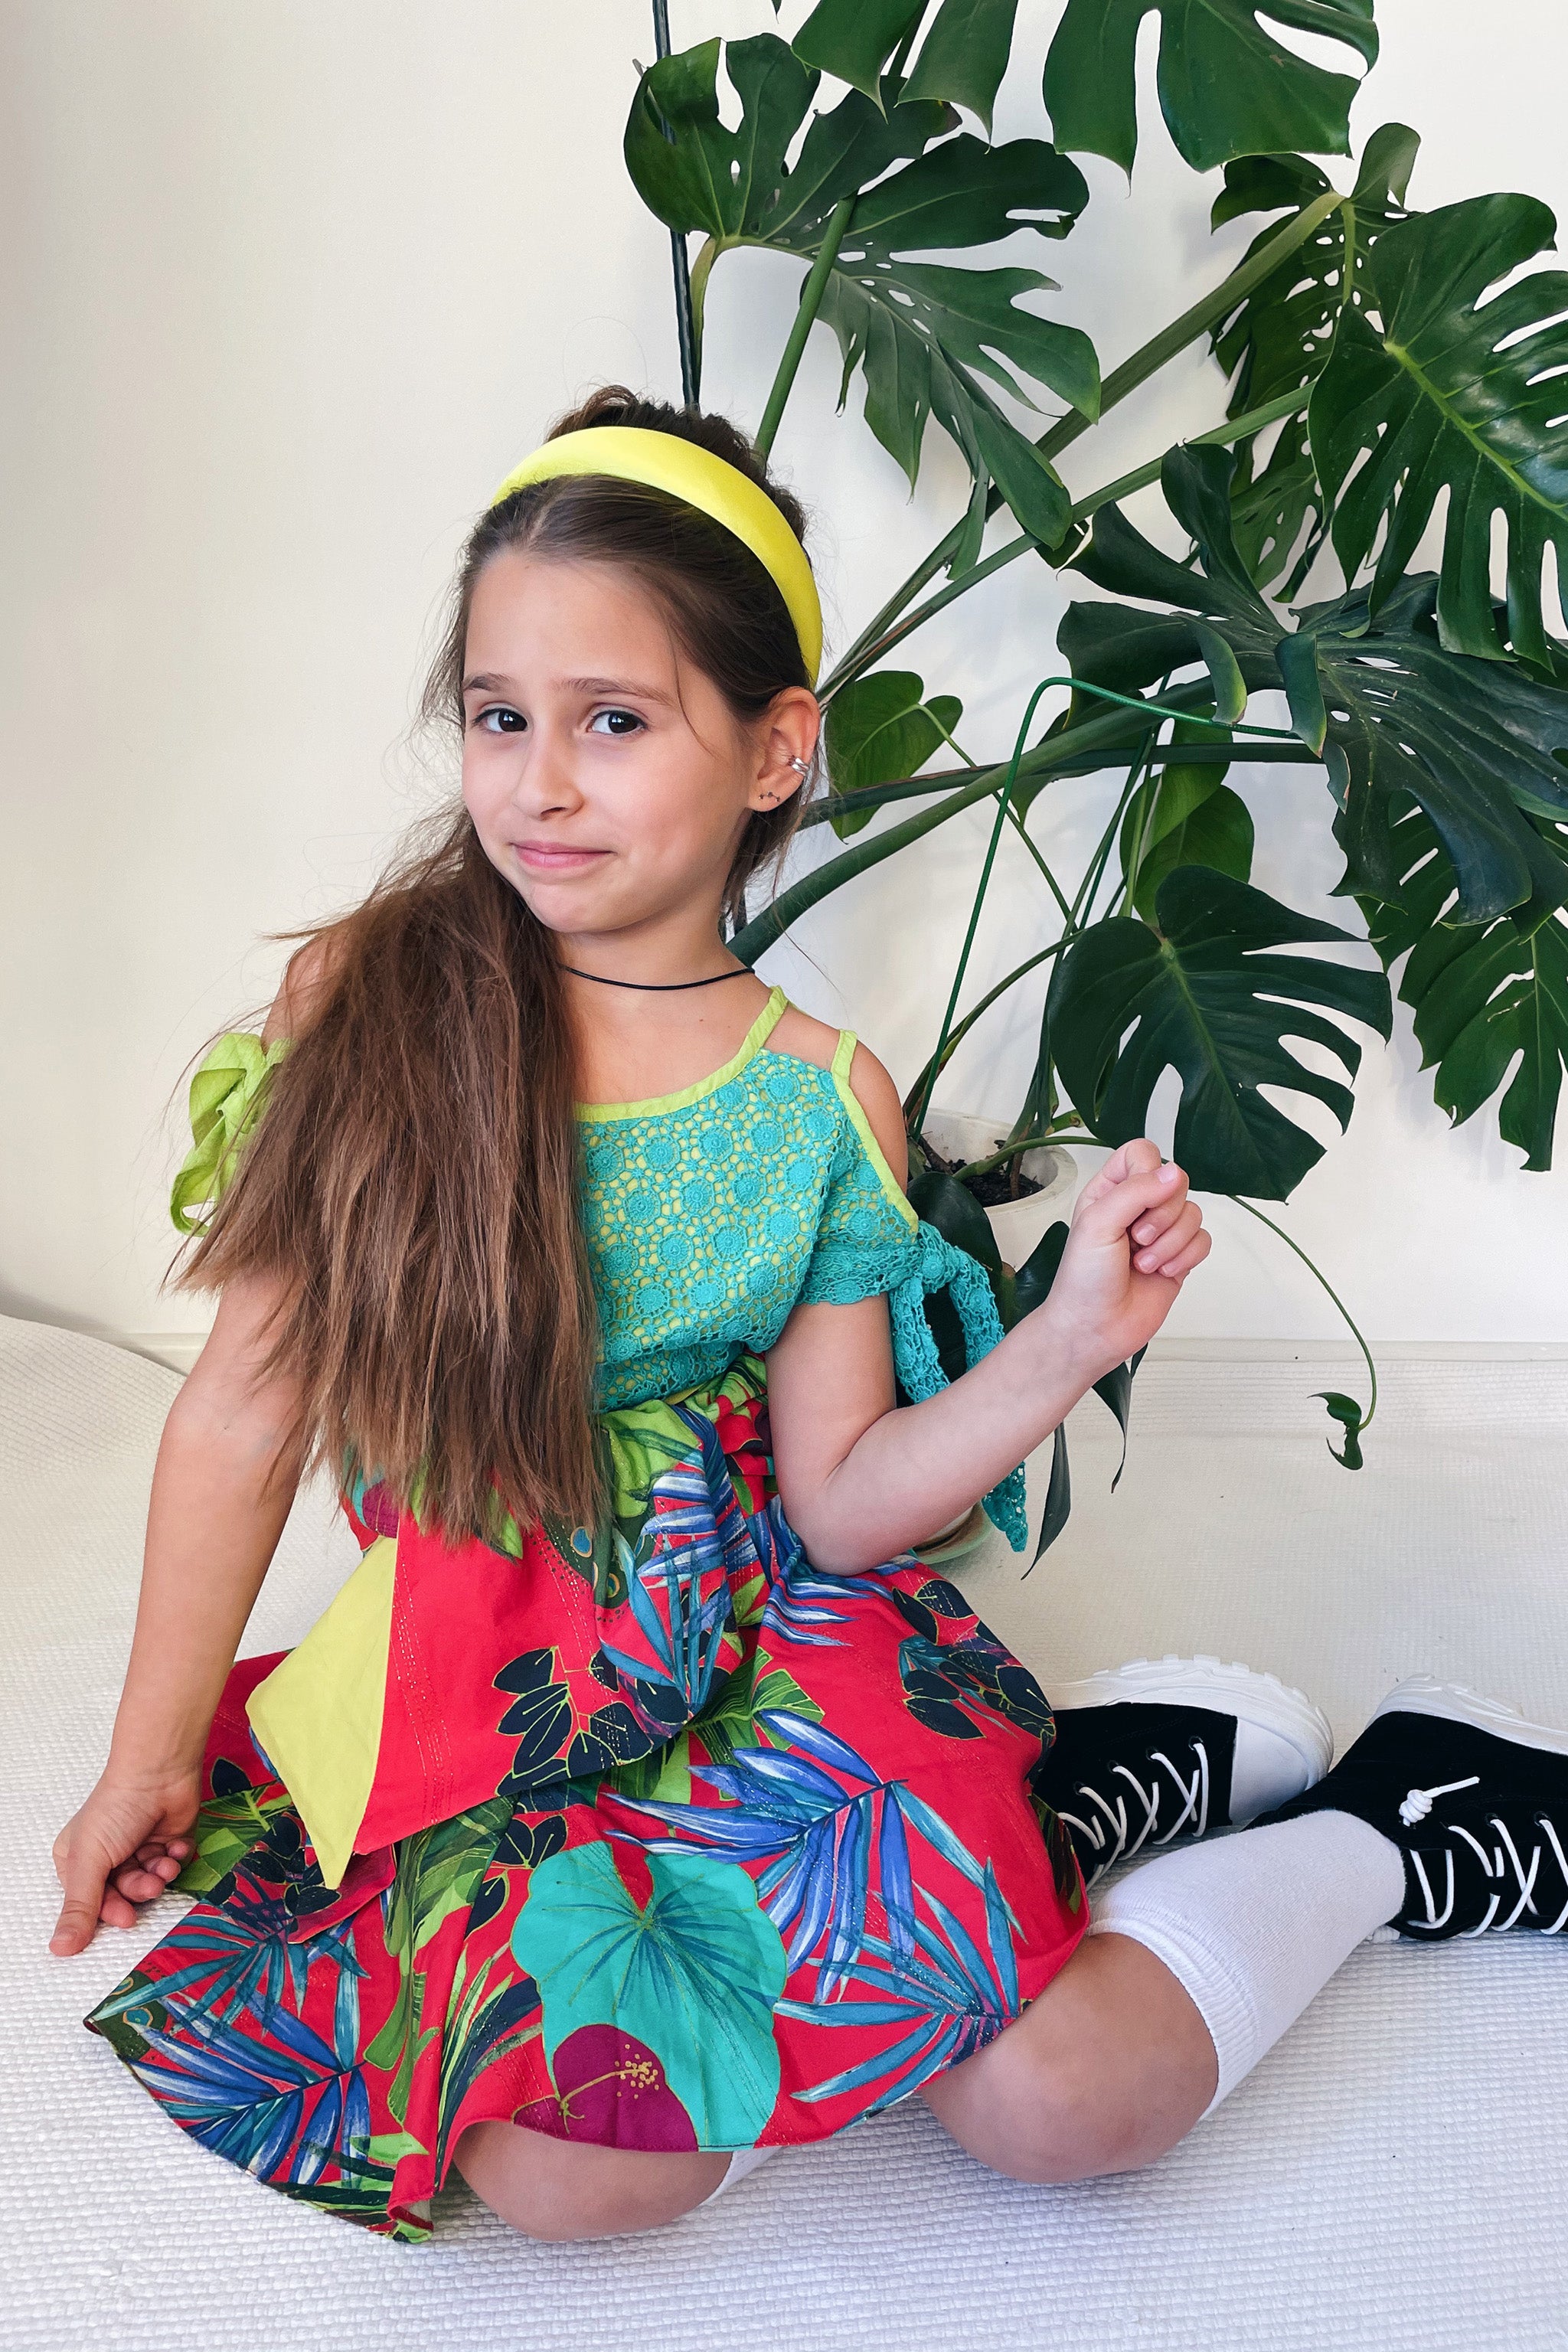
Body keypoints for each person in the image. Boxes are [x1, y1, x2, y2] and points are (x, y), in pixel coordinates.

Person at [51, 391, 1568, 2249]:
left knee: (1058, 2111)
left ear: (775, 749)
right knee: (569, 2177)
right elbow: (241, 1411)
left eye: (614, 721)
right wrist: (147, 1757)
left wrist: (1067, 1341)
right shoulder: (368, 1005)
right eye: (499, 716)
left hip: (759, 1648)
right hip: (494, 1691)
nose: (539, 782)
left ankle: (1393, 1821)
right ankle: (1085, 1786)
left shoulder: (817, 1095)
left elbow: (842, 1502)